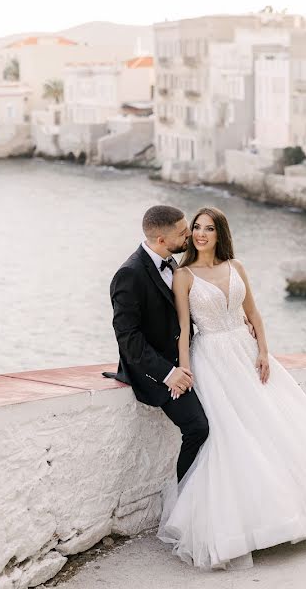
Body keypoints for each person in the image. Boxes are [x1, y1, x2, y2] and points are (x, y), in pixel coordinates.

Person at [157, 206, 306, 570]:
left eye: (208, 228)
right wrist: (185, 369)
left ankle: (301, 511)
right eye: (196, 228)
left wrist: (265, 352)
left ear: (220, 233)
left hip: (245, 350)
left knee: (277, 426)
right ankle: (242, 527)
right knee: (231, 436)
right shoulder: (184, 275)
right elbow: (182, 328)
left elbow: (254, 314)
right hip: (211, 356)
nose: (201, 234)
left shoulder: (237, 267)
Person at [106, 205, 207, 482]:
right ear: (161, 240)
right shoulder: (130, 274)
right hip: (155, 370)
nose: (189, 235)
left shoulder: (171, 261)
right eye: (183, 233)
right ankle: (184, 500)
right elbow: (128, 338)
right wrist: (168, 373)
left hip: (185, 359)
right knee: (198, 427)